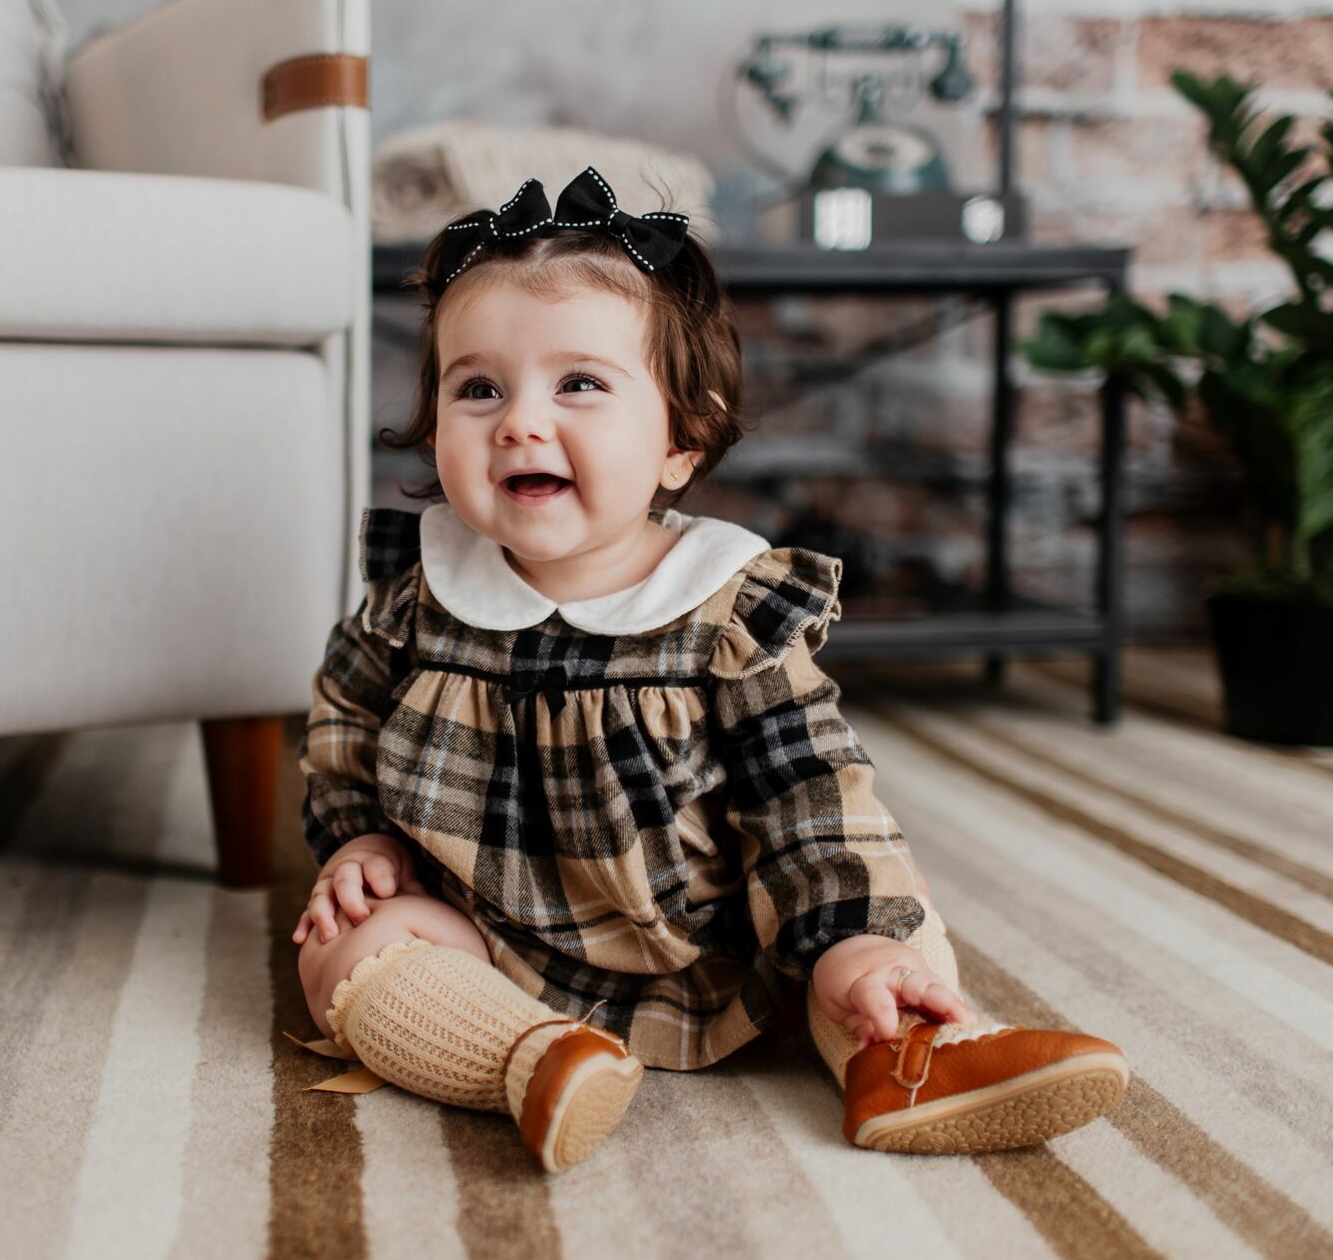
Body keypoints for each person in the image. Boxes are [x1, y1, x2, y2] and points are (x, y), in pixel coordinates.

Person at [293, 167, 1130, 1173]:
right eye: (477, 387)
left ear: (682, 439)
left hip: (727, 938)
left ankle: (905, 1045)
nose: (517, 420)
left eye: (579, 384)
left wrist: (852, 937)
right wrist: (362, 838)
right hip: (479, 928)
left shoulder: (725, 610)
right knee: (347, 945)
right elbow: (342, 718)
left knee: (873, 911)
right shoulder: (419, 601)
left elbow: (808, 794)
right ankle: (524, 1056)